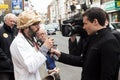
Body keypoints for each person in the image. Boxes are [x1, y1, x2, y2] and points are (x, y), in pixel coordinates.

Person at [53, 7, 120, 80]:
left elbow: (107, 76)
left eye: (85, 23)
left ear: (95, 22)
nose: (83, 27)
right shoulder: (93, 37)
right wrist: (59, 55)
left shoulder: (109, 41)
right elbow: (84, 61)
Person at [10, 10, 54, 80]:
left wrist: (47, 72)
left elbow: (37, 61)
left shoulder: (32, 39)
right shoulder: (18, 43)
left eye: (38, 24)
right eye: (35, 24)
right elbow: (31, 67)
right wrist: (45, 48)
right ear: (26, 27)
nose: (39, 27)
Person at [0, 13, 18, 80]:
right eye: (11, 21)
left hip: (15, 66)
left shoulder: (16, 31)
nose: (13, 23)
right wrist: (6, 59)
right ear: (5, 21)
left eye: (14, 21)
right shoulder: (1, 31)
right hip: (4, 68)